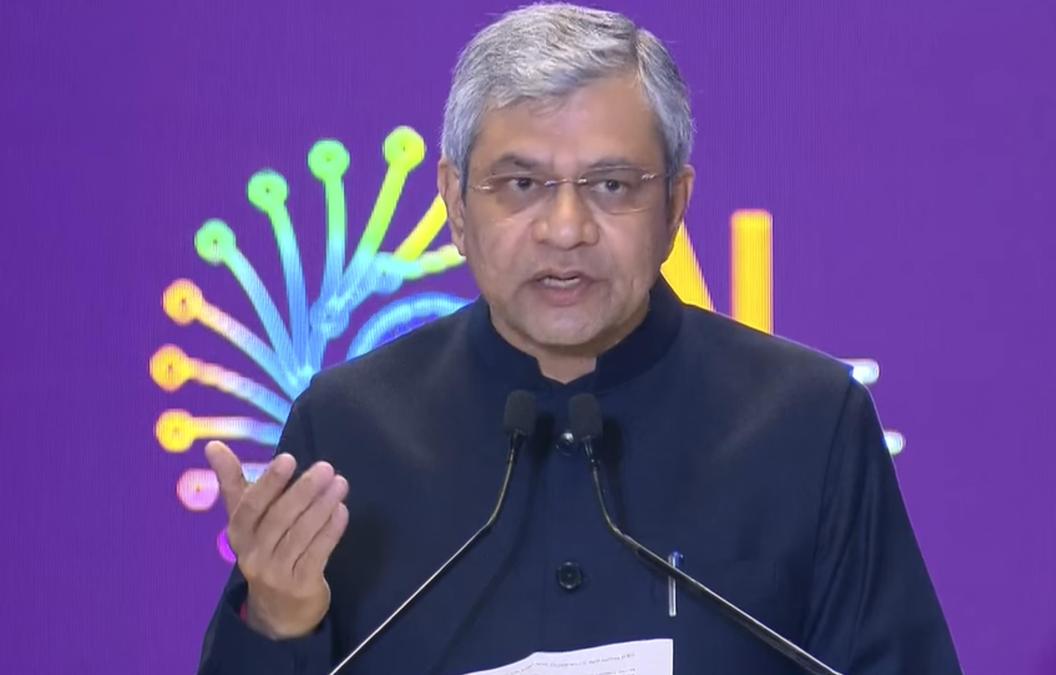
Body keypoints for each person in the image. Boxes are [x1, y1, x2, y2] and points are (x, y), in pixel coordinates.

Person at [198, 4, 961, 673]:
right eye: (522, 185)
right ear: (455, 203)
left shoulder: (809, 423)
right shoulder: (347, 431)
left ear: (675, 205)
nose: (566, 229)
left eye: (612, 185)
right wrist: (278, 621)